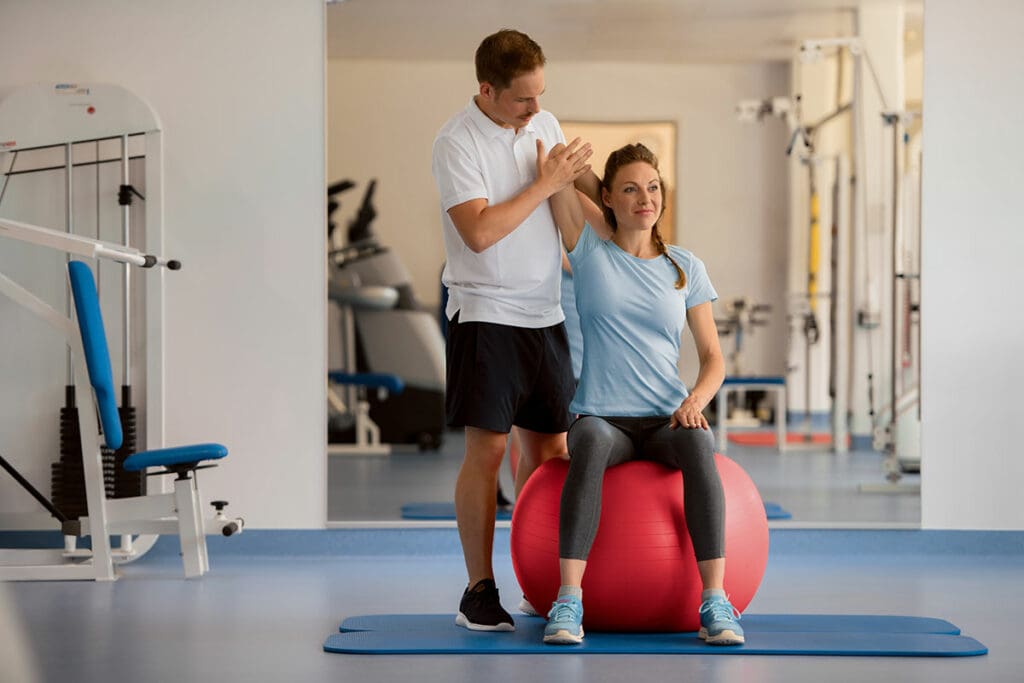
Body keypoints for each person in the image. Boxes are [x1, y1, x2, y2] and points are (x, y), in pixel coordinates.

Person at [538, 142, 743, 646]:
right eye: (629, 189)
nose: (644, 198)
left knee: (699, 444)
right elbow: (559, 181)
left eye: (652, 187)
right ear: (606, 197)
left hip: (664, 418)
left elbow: (714, 356)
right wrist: (570, 162)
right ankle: (568, 600)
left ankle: (715, 600)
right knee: (587, 443)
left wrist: (695, 400)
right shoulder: (587, 251)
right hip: (601, 417)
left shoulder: (684, 266)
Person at [431, 28, 595, 632]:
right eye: (522, 99)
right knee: (489, 450)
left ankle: (536, 580)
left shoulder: (544, 125)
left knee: (551, 451)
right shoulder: (456, 142)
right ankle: (478, 590)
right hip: (485, 315)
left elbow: (570, 215)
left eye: (540, 96)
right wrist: (545, 183)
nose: (535, 109)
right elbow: (478, 232)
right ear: (487, 89)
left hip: (545, 314)